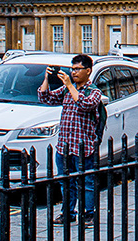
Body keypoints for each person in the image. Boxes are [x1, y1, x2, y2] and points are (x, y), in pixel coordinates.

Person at [37, 54, 104, 226]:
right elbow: (45, 98)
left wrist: (68, 84)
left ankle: (89, 213)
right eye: (72, 69)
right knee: (66, 182)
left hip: (84, 147)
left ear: (88, 71)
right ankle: (68, 213)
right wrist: (47, 78)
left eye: (77, 69)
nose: (73, 72)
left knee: (87, 182)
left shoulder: (94, 92)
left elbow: (85, 104)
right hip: (64, 146)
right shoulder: (68, 89)